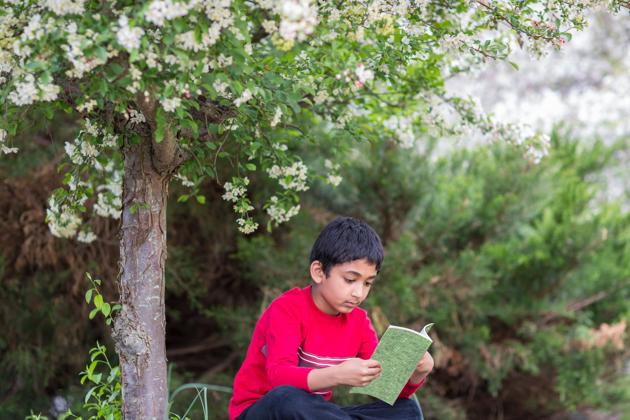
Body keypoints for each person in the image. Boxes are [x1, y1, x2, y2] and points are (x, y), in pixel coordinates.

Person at [228, 217, 434, 420]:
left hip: (313, 413)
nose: (358, 293)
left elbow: (384, 388)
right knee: (288, 398)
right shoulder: (287, 309)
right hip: (264, 411)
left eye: (367, 283)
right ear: (319, 272)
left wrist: (417, 373)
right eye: (350, 280)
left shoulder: (359, 323)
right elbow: (279, 377)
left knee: (406, 411)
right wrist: (338, 374)